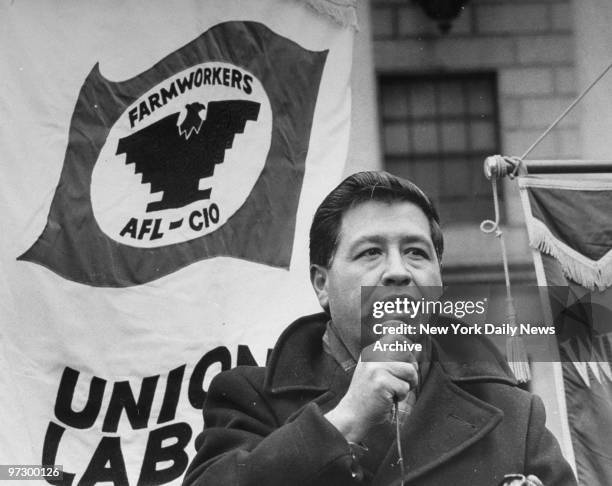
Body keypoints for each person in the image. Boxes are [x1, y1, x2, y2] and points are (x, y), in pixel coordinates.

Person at [183, 171, 577, 486]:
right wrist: (344, 421)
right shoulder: (248, 396)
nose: (397, 271)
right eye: (371, 252)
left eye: (416, 253)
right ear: (322, 284)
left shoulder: (514, 412)